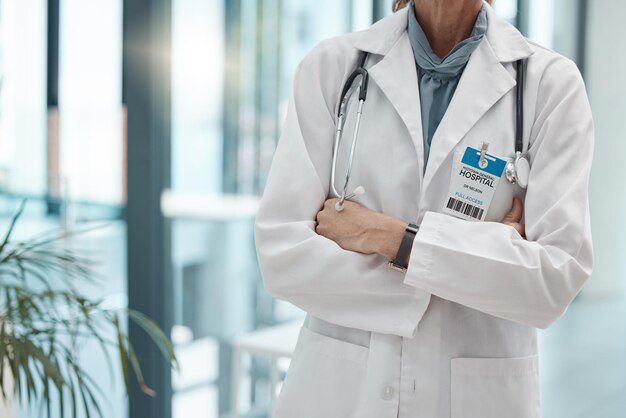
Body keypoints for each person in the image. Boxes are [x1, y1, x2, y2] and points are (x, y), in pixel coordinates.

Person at [254, 0, 594, 416]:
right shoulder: (332, 68)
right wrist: (480, 262)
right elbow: (282, 256)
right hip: (341, 392)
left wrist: (391, 239)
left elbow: (554, 279)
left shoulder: (551, 85)